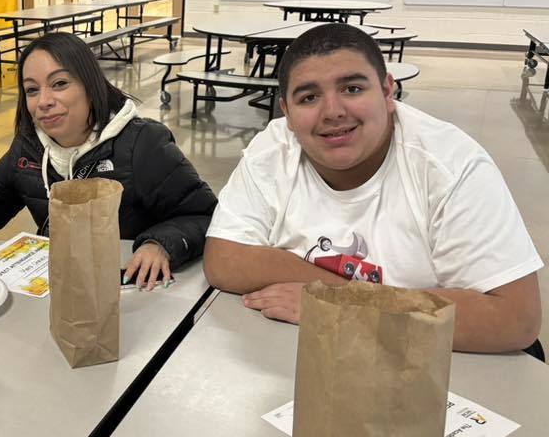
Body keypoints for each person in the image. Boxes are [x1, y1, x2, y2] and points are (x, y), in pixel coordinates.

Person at [204, 23, 543, 353]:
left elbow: (514, 318)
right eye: (308, 97)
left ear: (387, 92)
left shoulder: (450, 164)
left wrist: (340, 302)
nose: (333, 112)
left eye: (352, 89)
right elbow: (225, 260)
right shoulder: (274, 150)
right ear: (287, 114)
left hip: (423, 368)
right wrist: (386, 303)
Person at [0, 32, 217, 289]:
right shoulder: (28, 150)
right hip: (58, 290)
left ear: (90, 86)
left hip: (130, 294)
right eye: (32, 90)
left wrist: (160, 244)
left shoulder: (143, 144)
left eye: (60, 84)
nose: (44, 101)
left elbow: (205, 215)